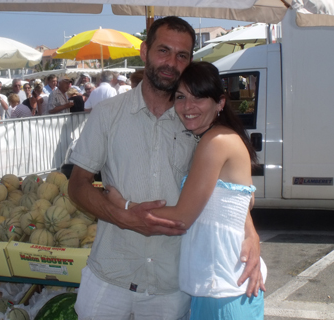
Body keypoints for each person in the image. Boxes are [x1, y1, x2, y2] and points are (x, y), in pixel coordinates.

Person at [67, 16, 262, 320]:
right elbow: (77, 185)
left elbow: (225, 191)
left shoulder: (196, 121)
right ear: (144, 51)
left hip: (172, 285)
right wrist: (123, 216)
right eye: (164, 51)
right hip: (110, 276)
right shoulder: (107, 114)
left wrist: (249, 232)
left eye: (182, 55)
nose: (171, 62)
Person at [105, 61, 267, 319]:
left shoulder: (216, 142)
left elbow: (183, 217)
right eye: (181, 97)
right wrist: (252, 234)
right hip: (217, 285)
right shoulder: (212, 138)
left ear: (220, 102)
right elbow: (242, 202)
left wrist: (123, 206)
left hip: (224, 289)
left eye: (199, 97)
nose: (188, 107)